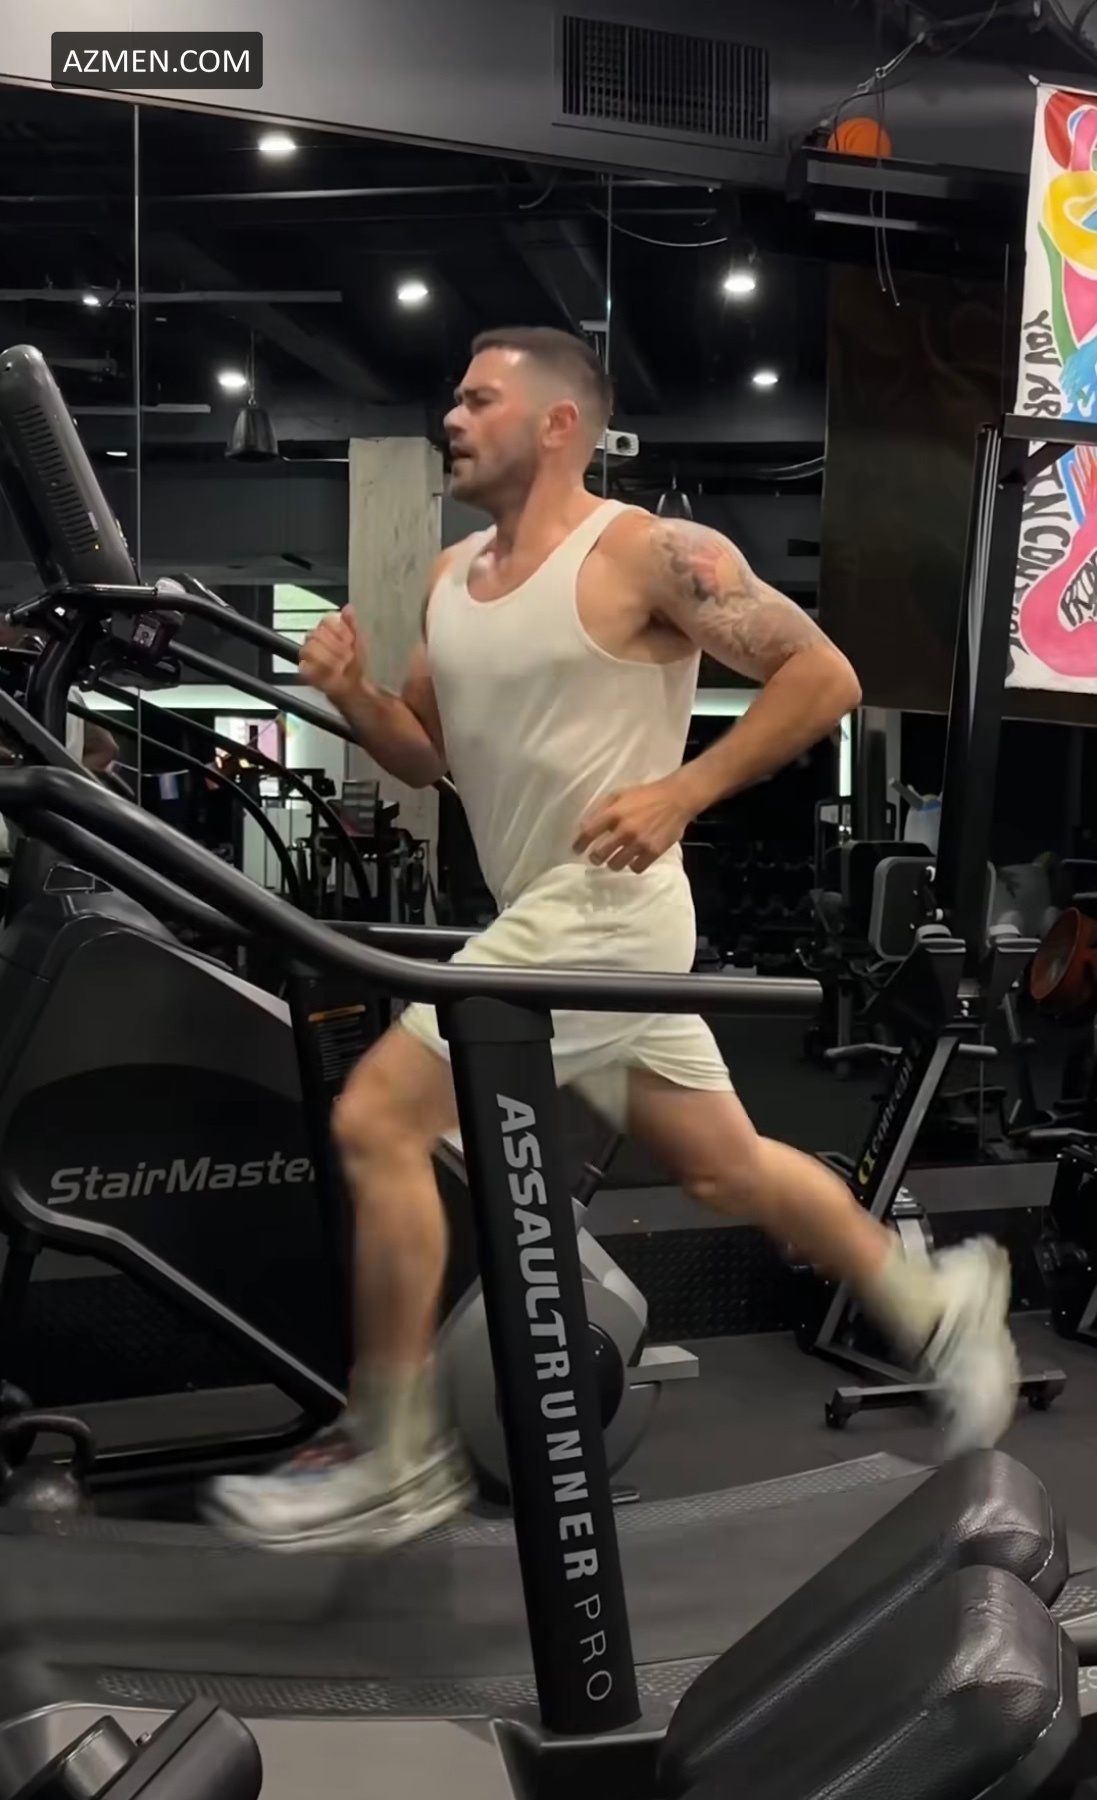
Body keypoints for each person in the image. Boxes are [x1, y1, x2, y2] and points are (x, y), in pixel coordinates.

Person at [210, 326, 1020, 1553]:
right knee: (724, 1168)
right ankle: (935, 1299)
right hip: (547, 912)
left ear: (557, 425)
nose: (450, 418)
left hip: (606, 907)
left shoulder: (646, 551)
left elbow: (823, 678)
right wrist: (354, 695)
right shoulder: (448, 577)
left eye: (478, 399)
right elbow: (424, 754)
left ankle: (392, 1451)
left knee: (379, 1119)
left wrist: (683, 791)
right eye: (451, 399)